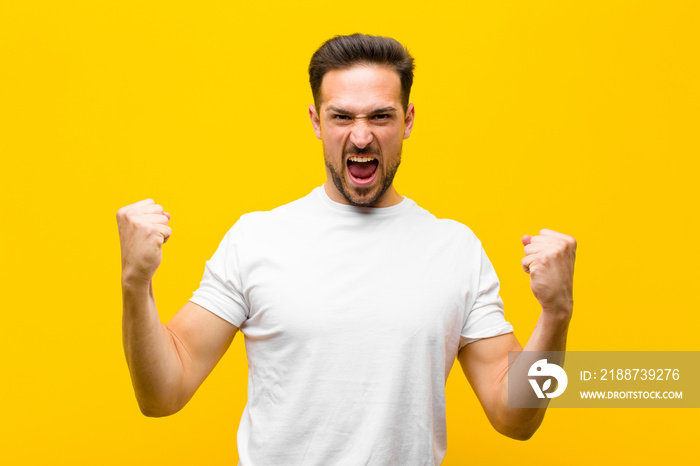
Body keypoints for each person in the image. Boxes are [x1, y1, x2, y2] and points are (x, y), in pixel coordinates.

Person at [117, 34, 577, 465]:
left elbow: (514, 417)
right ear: (317, 122)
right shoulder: (257, 238)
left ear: (408, 120)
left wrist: (556, 314)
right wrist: (136, 286)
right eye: (342, 117)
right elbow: (162, 394)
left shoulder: (455, 248)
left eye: (380, 116)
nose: (361, 137)